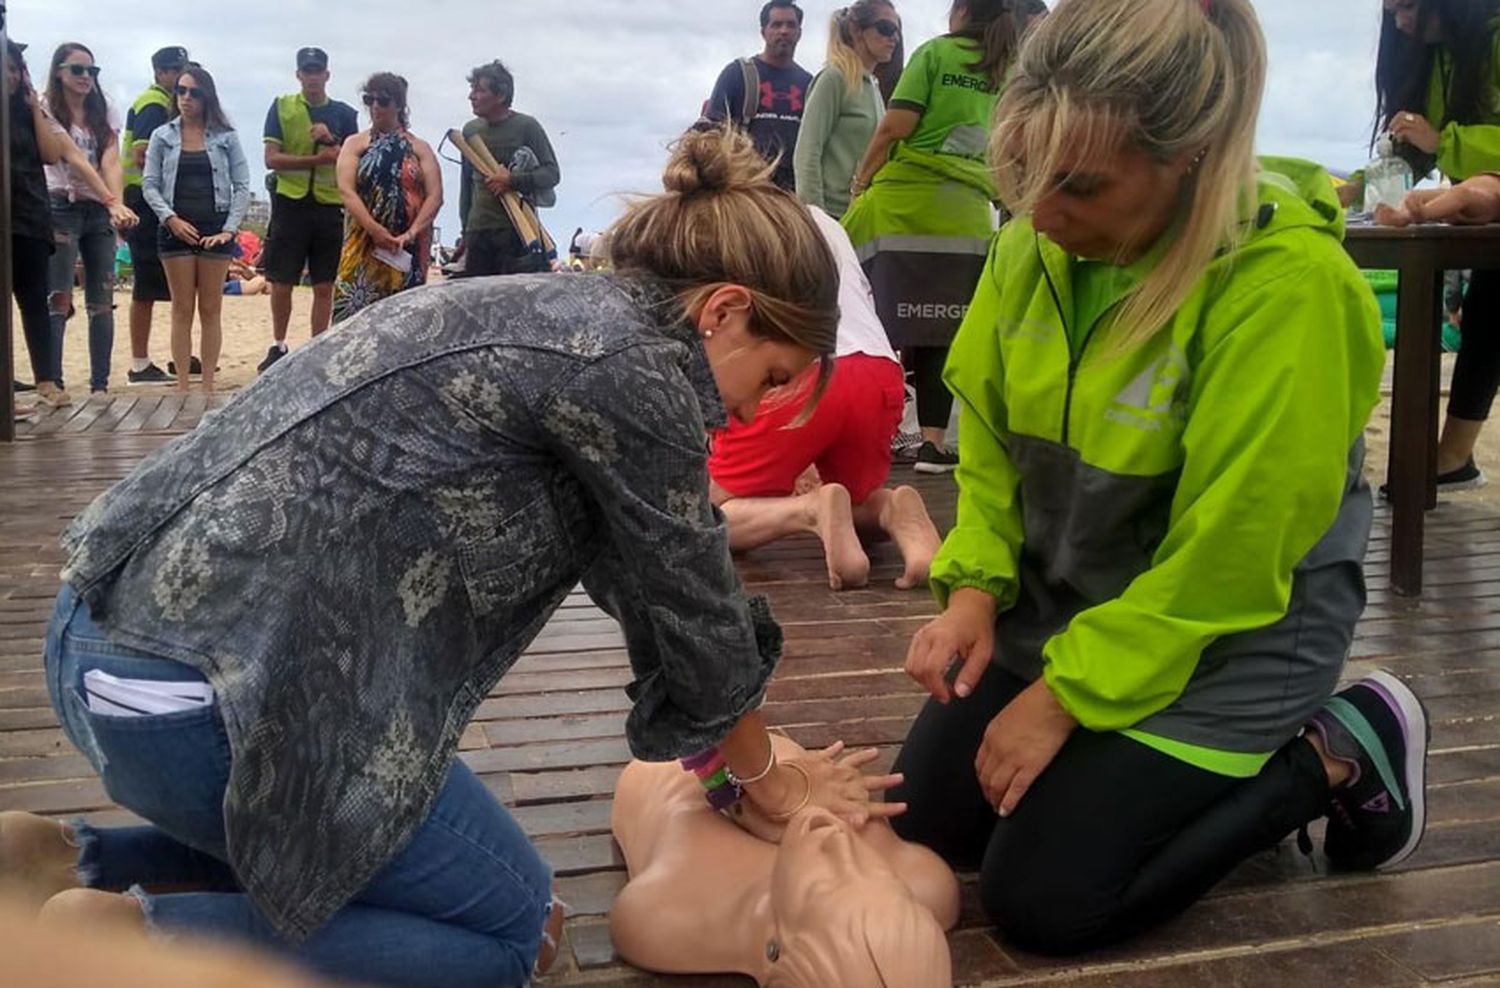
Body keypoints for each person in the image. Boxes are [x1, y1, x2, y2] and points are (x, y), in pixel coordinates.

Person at [10, 128, 893, 988]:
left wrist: (728, 764)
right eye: (774, 377)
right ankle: (134, 943)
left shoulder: (565, 315)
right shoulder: (640, 370)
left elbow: (653, 588)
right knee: (515, 935)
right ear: (725, 310)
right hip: (205, 700)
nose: (752, 415)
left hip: (104, 636)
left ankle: (68, 864)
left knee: (380, 860)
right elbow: (696, 608)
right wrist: (766, 781)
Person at [887, 0, 1428, 956]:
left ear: (1194, 154)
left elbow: (1231, 558)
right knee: (927, 823)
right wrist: (975, 589)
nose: (1043, 220)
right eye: (1022, 181)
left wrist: (1062, 701)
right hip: (1074, 597)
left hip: (1237, 631)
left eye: (1081, 189)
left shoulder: (1289, 288)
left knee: (1046, 898)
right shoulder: (1034, 245)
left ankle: (1341, 750)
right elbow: (991, 457)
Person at [844, 0, 1042, 474]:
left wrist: (860, 181)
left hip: (907, 206)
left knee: (878, 322)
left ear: (961, 13)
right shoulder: (1011, 70)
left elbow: (897, 126)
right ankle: (933, 443)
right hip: (970, 214)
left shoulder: (935, 54)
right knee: (944, 329)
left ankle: (877, 436)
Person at [710, 205, 941, 592]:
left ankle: (810, 510)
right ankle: (889, 509)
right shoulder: (822, 218)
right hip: (877, 369)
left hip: (793, 367)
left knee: (708, 513)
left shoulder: (732, 217)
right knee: (854, 501)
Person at [610, 735, 955, 987]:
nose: (837, 838)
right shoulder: (922, 885)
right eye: (878, 876)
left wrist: (743, 791)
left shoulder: (667, 914)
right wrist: (774, 788)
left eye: (825, 885)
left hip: (664, 768)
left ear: (773, 951)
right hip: (762, 748)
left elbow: (693, 683)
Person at [1350, 0, 1500, 491]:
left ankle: (1451, 458)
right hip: (1483, 217)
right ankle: (1449, 460)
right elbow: (1408, 156)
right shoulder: (1429, 57)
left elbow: (1436, 143)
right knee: (1484, 311)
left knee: (1489, 309)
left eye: (1409, 7)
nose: (1401, 23)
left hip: (1486, 203)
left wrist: (1444, 142)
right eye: (1392, 13)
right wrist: (1352, 190)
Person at [141, 65, 251, 393]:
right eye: (181, 91)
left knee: (211, 307)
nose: (186, 98)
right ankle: (183, 386)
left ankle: (207, 386)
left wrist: (229, 230)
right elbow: (150, 184)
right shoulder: (163, 136)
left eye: (194, 92)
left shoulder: (226, 137)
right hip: (175, 226)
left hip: (214, 225)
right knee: (182, 307)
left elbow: (242, 185)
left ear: (207, 97)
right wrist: (170, 219)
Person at [43, 43, 139, 397]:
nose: (86, 78)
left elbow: (111, 160)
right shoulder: (46, 108)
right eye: (77, 70)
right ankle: (52, 381)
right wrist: (112, 200)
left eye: (92, 71)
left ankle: (99, 385)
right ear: (59, 72)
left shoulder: (104, 109)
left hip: (96, 207)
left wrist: (115, 205)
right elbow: (72, 157)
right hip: (60, 203)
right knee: (58, 296)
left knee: (102, 299)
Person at [258, 47, 359, 373]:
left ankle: (318, 346)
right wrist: (315, 160)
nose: (312, 77)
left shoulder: (345, 113)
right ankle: (278, 343)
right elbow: (271, 159)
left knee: (324, 283)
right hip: (290, 202)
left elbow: (353, 158)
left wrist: (331, 139)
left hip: (329, 206)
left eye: (318, 71)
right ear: (298, 74)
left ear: (327, 75)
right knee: (281, 280)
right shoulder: (282, 107)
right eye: (307, 71)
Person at [332, 73, 442, 323]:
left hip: (405, 245)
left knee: (403, 319)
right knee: (352, 316)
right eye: (369, 100)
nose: (375, 107)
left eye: (382, 101)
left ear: (398, 105)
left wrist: (410, 234)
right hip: (364, 241)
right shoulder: (355, 144)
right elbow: (347, 190)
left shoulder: (418, 147)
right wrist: (373, 229)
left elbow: (435, 196)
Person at [120, 46, 189, 386]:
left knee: (177, 280)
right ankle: (139, 362)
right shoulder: (153, 102)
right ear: (160, 72)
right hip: (145, 200)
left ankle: (180, 354)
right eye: (175, 70)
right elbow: (140, 153)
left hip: (159, 199)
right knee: (147, 284)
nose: (181, 76)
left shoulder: (169, 104)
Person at [794, 1, 900, 219]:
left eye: (897, 30)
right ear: (856, 30)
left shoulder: (872, 86)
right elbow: (806, 153)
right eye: (886, 28)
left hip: (861, 216)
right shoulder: (834, 78)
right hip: (831, 216)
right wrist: (818, 220)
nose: (894, 38)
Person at [6, 41, 67, 412]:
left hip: (28, 213)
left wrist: (34, 111)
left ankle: (46, 378)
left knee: (33, 299)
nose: (10, 75)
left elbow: (51, 154)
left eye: (15, 68)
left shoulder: (27, 110)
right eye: (5, 68)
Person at [458, 60, 560, 277]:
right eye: (471, 90)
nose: (472, 96)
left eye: (479, 90)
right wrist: (465, 230)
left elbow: (551, 173)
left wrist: (511, 180)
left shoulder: (526, 127)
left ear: (500, 96)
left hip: (517, 231)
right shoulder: (470, 131)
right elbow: (466, 185)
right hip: (478, 231)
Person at [704, 0, 814, 191]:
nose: (784, 31)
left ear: (799, 33)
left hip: (792, 192)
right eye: (777, 24)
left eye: (790, 25)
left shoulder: (808, 83)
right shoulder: (738, 73)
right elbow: (712, 130)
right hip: (745, 187)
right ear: (763, 32)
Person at [1378, 171, 1500, 225]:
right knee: (1415, 196)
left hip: (1490, 200)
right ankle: (1402, 213)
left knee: (1461, 193)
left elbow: (1462, 193)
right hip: (1462, 193)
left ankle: (1413, 215)